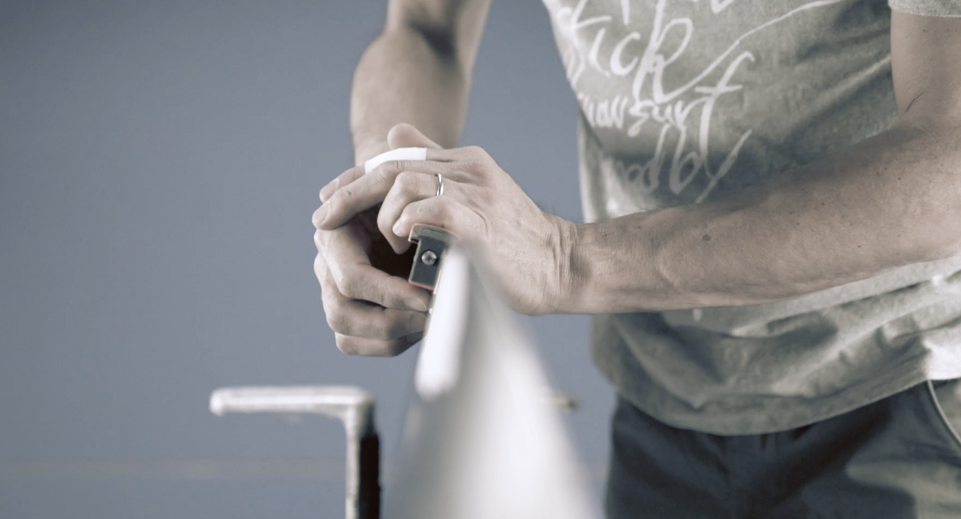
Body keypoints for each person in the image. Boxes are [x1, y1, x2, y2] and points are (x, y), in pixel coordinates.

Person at [312, 0, 961, 516]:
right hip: (661, 399)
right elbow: (427, 28)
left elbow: (947, 168)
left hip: (899, 388)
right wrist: (389, 182)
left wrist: (568, 260)